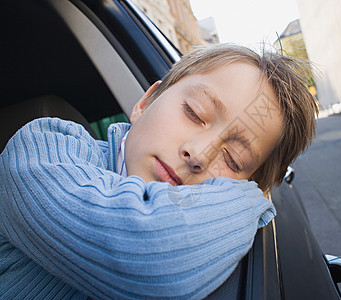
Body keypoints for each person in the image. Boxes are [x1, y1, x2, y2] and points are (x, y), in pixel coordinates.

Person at [0, 44, 318, 299]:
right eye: (194, 113)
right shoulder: (44, 148)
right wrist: (253, 198)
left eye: (233, 160)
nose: (199, 154)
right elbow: (149, 252)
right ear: (147, 101)